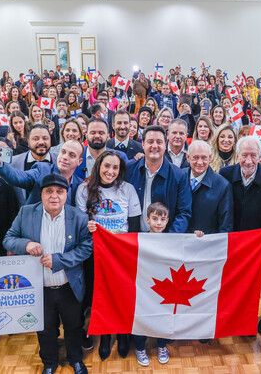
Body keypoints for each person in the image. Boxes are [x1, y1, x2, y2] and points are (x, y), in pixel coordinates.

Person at [3, 174, 91, 374]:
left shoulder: (79, 217)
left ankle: (75, 359)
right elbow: (8, 239)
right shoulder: (26, 213)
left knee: (74, 326)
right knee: (45, 329)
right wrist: (26, 244)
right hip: (38, 287)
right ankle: (49, 363)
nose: (54, 196)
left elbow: (86, 248)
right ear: (41, 194)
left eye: (59, 192)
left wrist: (59, 260)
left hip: (69, 286)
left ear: (66, 194)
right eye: (49, 191)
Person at [78, 151, 141, 361]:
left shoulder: (128, 190)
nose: (110, 171)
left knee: (122, 296)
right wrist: (87, 227)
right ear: (98, 166)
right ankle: (105, 337)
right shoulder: (84, 189)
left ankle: (123, 335)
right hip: (96, 255)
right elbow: (80, 225)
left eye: (115, 168)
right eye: (106, 166)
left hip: (122, 254)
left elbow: (133, 226)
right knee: (101, 297)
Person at [219, 136, 261, 332]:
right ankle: (232, 318)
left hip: (259, 243)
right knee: (233, 282)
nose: (248, 160)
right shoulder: (225, 174)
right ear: (237, 155)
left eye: (253, 155)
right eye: (244, 155)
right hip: (234, 240)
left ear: (260, 156)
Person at [126, 125, 192, 233]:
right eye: (150, 141)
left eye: (159, 142)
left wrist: (168, 238)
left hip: (165, 243)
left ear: (165, 145)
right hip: (133, 240)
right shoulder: (129, 169)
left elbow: (184, 213)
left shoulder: (179, 176)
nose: (155, 146)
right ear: (143, 144)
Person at [133, 202, 172, 367]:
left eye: (162, 219)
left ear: (167, 221)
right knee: (141, 317)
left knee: (163, 316)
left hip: (165, 288)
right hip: (143, 287)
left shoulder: (174, 240)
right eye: (155, 218)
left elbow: (189, 249)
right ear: (147, 219)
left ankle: (162, 346)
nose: (158, 223)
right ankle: (140, 347)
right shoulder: (138, 239)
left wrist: (197, 237)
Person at [0, 139, 84, 205]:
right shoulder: (42, 169)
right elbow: (17, 177)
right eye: (63, 152)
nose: (65, 157)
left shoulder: (79, 184)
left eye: (71, 155)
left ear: (79, 162)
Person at [185, 140, 234, 233]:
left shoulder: (223, 186)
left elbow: (225, 225)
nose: (200, 162)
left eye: (204, 157)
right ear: (187, 157)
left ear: (210, 157)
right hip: (180, 241)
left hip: (207, 243)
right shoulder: (179, 177)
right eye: (195, 157)